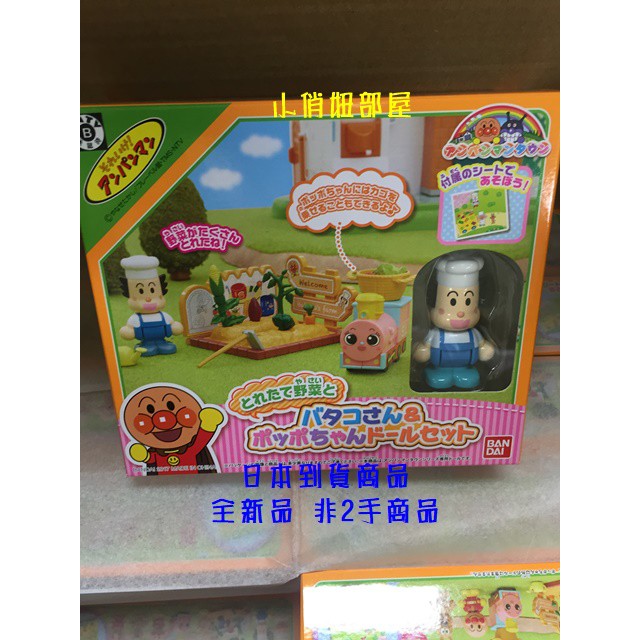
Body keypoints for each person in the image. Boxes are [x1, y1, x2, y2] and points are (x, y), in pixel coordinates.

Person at [413, 255, 495, 389]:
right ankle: (440, 372)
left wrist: (485, 349)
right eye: (452, 302)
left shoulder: (473, 334)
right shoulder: (436, 334)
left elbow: (483, 348)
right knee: (439, 380)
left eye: (468, 302)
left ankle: (461, 372)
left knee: (469, 379)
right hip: (439, 369)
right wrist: (422, 351)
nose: (460, 313)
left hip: (466, 369)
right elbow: (424, 350)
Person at [119, 255, 183, 356]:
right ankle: (148, 345)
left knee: (168, 347)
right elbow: (129, 331)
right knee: (147, 349)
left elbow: (173, 326)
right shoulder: (135, 319)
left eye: (153, 290)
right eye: (140, 291)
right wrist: (128, 331)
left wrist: (175, 327)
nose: (148, 299)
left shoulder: (164, 316)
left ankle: (162, 344)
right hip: (146, 344)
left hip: (163, 342)